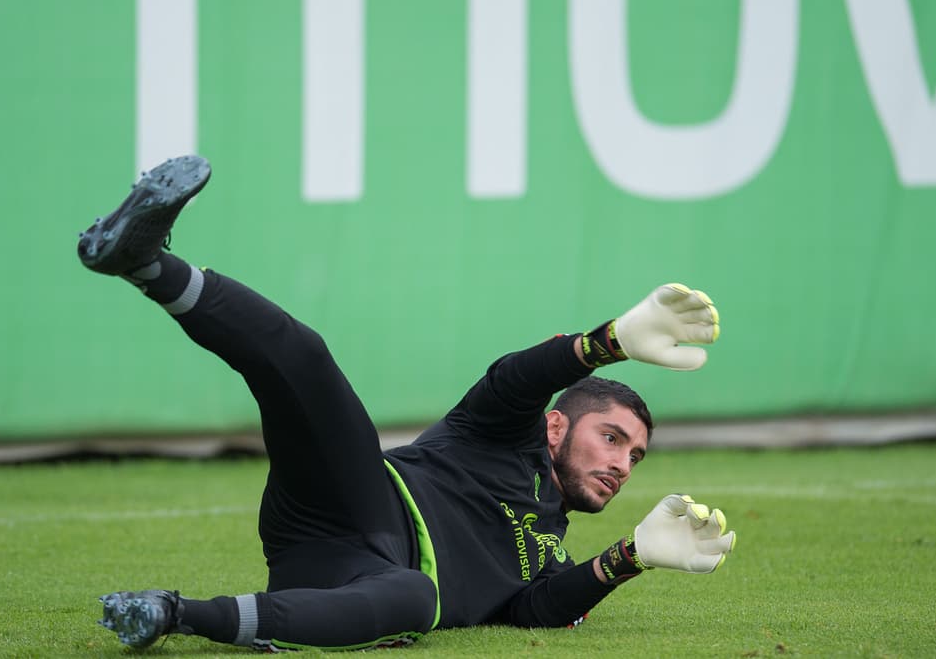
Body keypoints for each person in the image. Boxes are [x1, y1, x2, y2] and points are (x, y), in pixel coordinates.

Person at [79, 155, 736, 652]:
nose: (622, 464)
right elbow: (515, 379)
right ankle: (143, 261)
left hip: (347, 574)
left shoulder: (551, 557)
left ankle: (170, 613)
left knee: (416, 598)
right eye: (612, 437)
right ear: (557, 425)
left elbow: (539, 611)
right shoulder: (501, 433)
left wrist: (632, 556)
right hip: (355, 493)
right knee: (305, 359)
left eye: (636, 456)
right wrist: (607, 343)